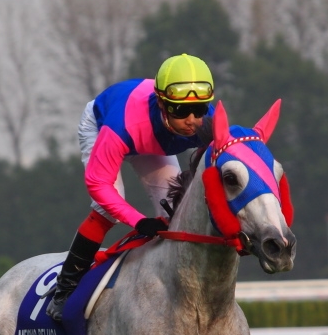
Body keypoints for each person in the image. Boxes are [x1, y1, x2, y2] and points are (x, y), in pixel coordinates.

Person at [46, 54, 216, 321]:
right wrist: (138, 221)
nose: (193, 120)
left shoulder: (209, 122)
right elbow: (98, 184)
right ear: (162, 103)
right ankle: (64, 290)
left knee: (177, 212)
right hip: (105, 125)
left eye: (200, 109)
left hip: (151, 139)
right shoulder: (122, 127)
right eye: (181, 111)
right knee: (107, 210)